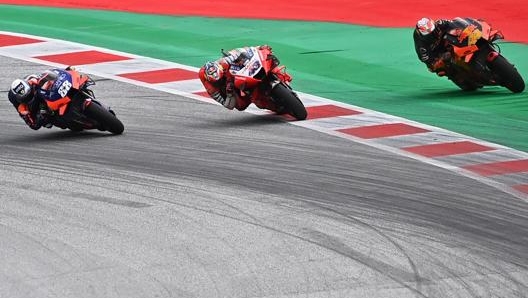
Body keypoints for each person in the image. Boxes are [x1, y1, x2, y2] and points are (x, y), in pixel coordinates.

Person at [198, 45, 280, 112]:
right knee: (241, 106)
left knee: (262, 52)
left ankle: (275, 73)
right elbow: (228, 105)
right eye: (217, 81)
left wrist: (258, 48)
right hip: (228, 87)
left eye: (220, 77)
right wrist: (229, 94)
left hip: (234, 73)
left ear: (220, 68)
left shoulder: (223, 62)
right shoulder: (212, 89)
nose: (219, 80)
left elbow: (239, 52)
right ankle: (254, 97)